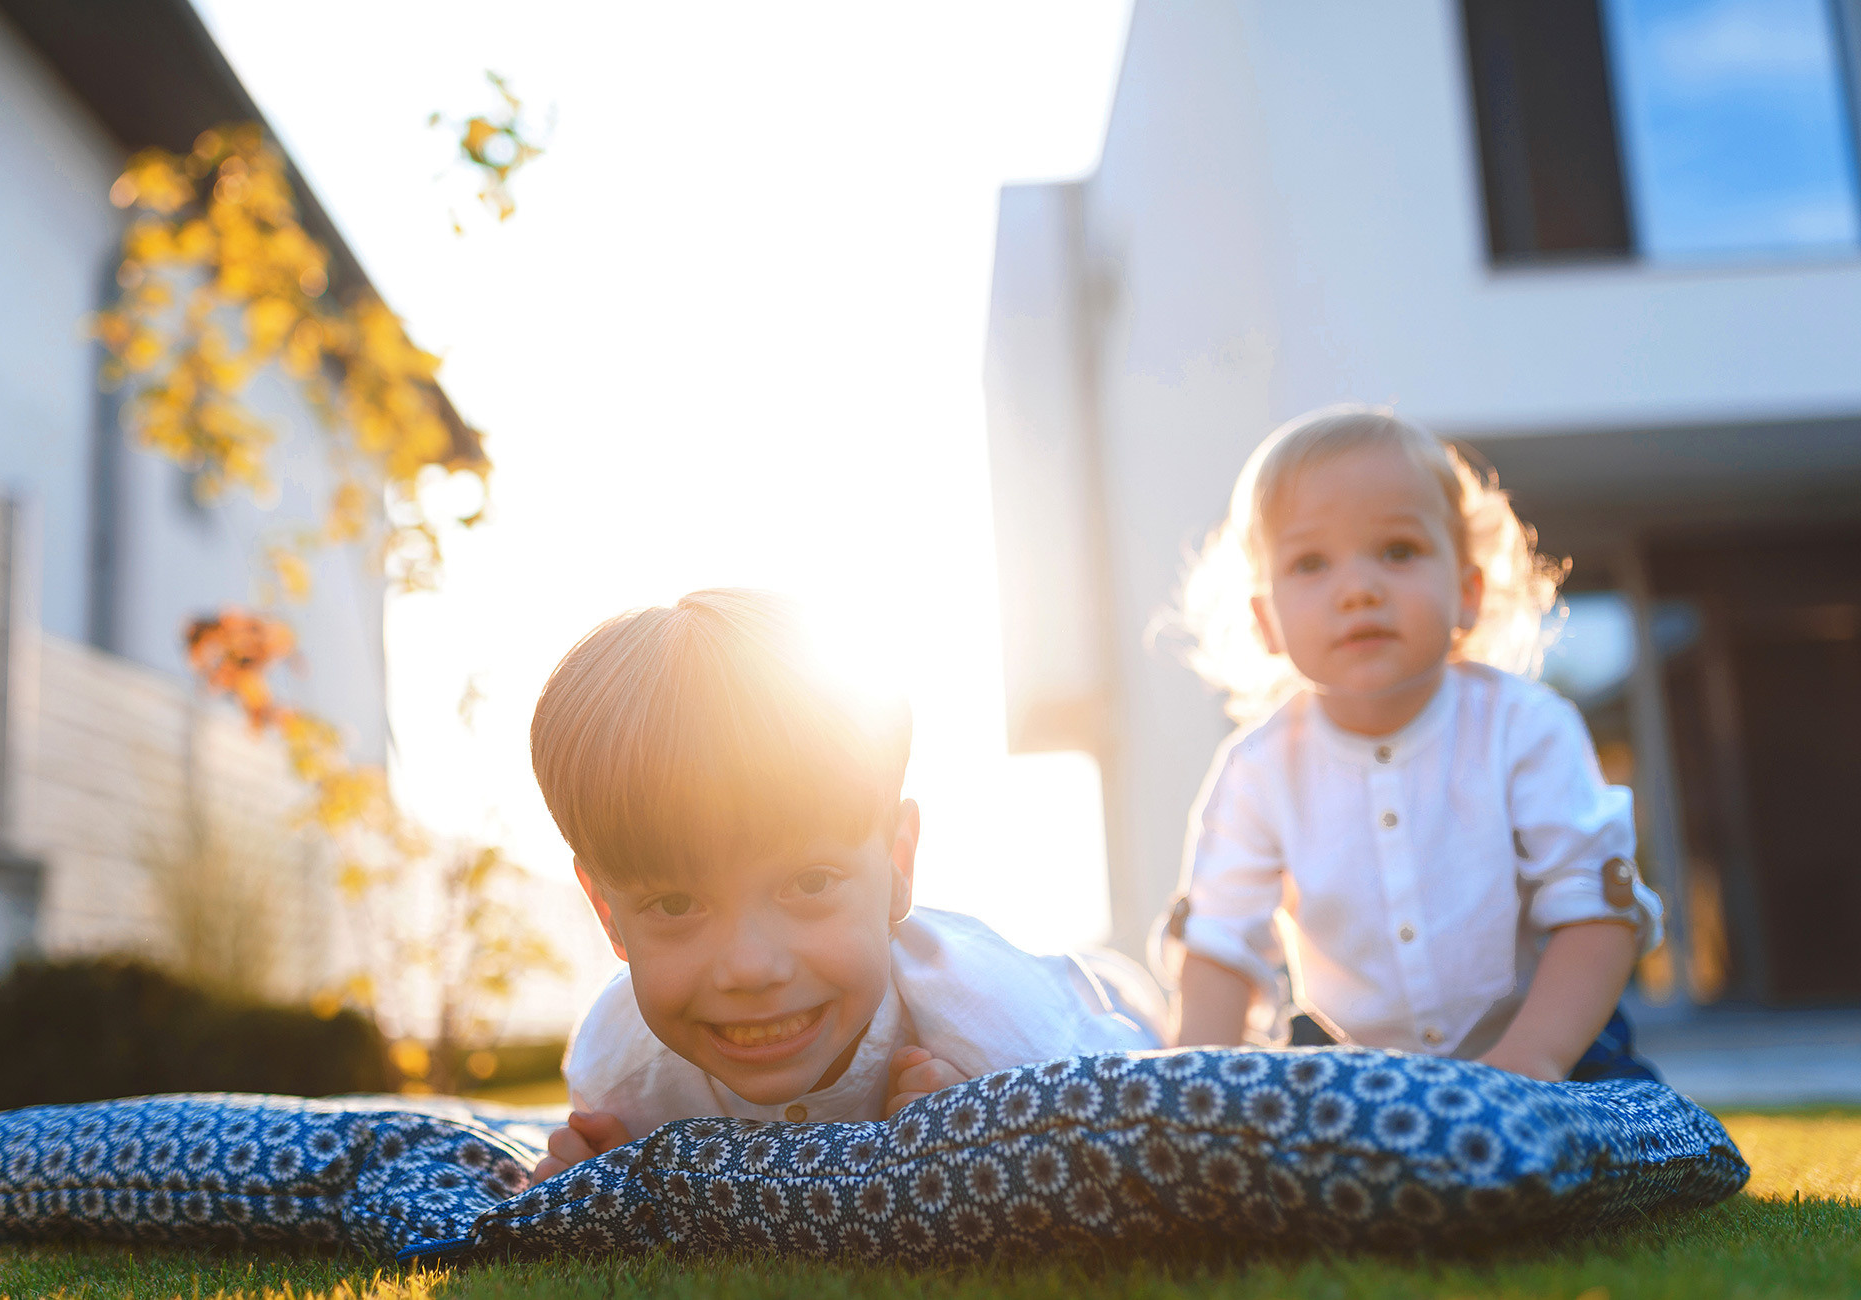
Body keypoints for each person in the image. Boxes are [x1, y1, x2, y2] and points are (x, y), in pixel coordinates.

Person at [528, 589, 1161, 1185]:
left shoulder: (1006, 1029)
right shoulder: (618, 1073)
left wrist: (1004, 1125)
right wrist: (585, 1182)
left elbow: (1159, 1109)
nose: (750, 967)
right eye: (674, 904)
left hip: (1109, 998)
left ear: (896, 866)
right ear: (608, 912)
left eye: (809, 883)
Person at [1163, 405, 1662, 1082]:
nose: (1359, 589)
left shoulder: (1523, 726)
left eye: (1398, 551)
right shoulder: (1258, 771)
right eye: (1311, 562)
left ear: (1466, 591)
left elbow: (1596, 909)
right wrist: (1191, 1097)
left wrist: (1532, 1060)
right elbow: (1220, 945)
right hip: (1353, 1059)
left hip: (1549, 1042)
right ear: (1266, 619)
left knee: (1617, 1136)